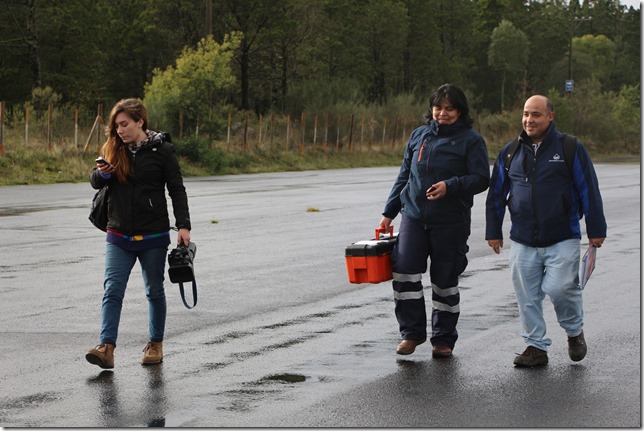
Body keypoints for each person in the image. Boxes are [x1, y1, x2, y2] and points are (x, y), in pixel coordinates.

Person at [485, 95, 607, 367]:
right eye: (526, 114)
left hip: (562, 235)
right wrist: (494, 231)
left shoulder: (570, 147)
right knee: (526, 295)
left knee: (561, 288)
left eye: (536, 114)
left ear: (550, 116)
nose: (530, 120)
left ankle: (574, 332)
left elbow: (589, 188)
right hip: (523, 239)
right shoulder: (510, 152)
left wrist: (596, 228)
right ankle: (535, 346)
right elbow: (496, 195)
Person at [379, 84, 490, 357]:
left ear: (460, 111)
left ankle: (443, 339)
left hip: (451, 221)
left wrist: (450, 186)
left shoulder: (471, 140)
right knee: (404, 271)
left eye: (449, 108)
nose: (442, 113)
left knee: (444, 280)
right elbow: (404, 176)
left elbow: (481, 178)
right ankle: (411, 334)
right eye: (438, 107)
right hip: (414, 217)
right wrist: (388, 213)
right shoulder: (419, 136)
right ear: (431, 109)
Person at [85, 98, 192, 369]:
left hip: (153, 235)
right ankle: (106, 347)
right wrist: (104, 174)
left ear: (140, 121)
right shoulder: (113, 148)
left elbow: (176, 189)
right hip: (118, 233)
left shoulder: (163, 151)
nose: (119, 130)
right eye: (116, 125)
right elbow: (95, 181)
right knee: (112, 290)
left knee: (154, 291)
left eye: (124, 124)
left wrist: (183, 226)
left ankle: (155, 344)